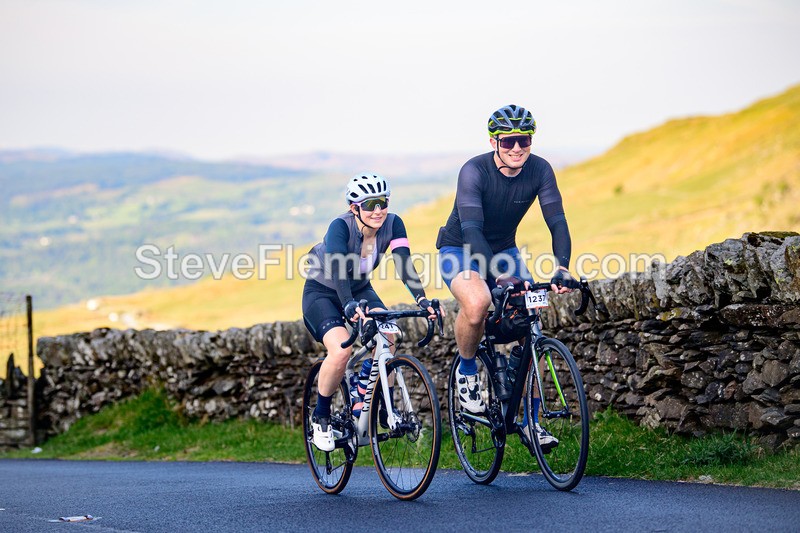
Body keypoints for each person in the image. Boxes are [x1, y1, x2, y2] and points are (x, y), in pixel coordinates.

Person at [436, 104, 574, 446]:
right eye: (509, 140)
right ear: (494, 141)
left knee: (532, 316)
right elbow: (471, 229)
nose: (517, 148)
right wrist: (497, 276)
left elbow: (556, 220)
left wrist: (563, 267)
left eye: (523, 140)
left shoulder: (540, 169)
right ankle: (468, 373)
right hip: (460, 248)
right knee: (479, 301)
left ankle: (528, 418)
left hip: (505, 249)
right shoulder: (474, 170)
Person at [302, 172, 440, 452]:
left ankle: (372, 396)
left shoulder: (394, 224)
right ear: (355, 208)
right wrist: (349, 305)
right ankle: (322, 415)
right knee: (340, 350)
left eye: (382, 203)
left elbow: (404, 264)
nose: (378, 211)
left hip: (360, 289)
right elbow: (340, 270)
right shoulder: (340, 227)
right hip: (323, 292)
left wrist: (422, 299)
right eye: (370, 204)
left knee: (388, 333)